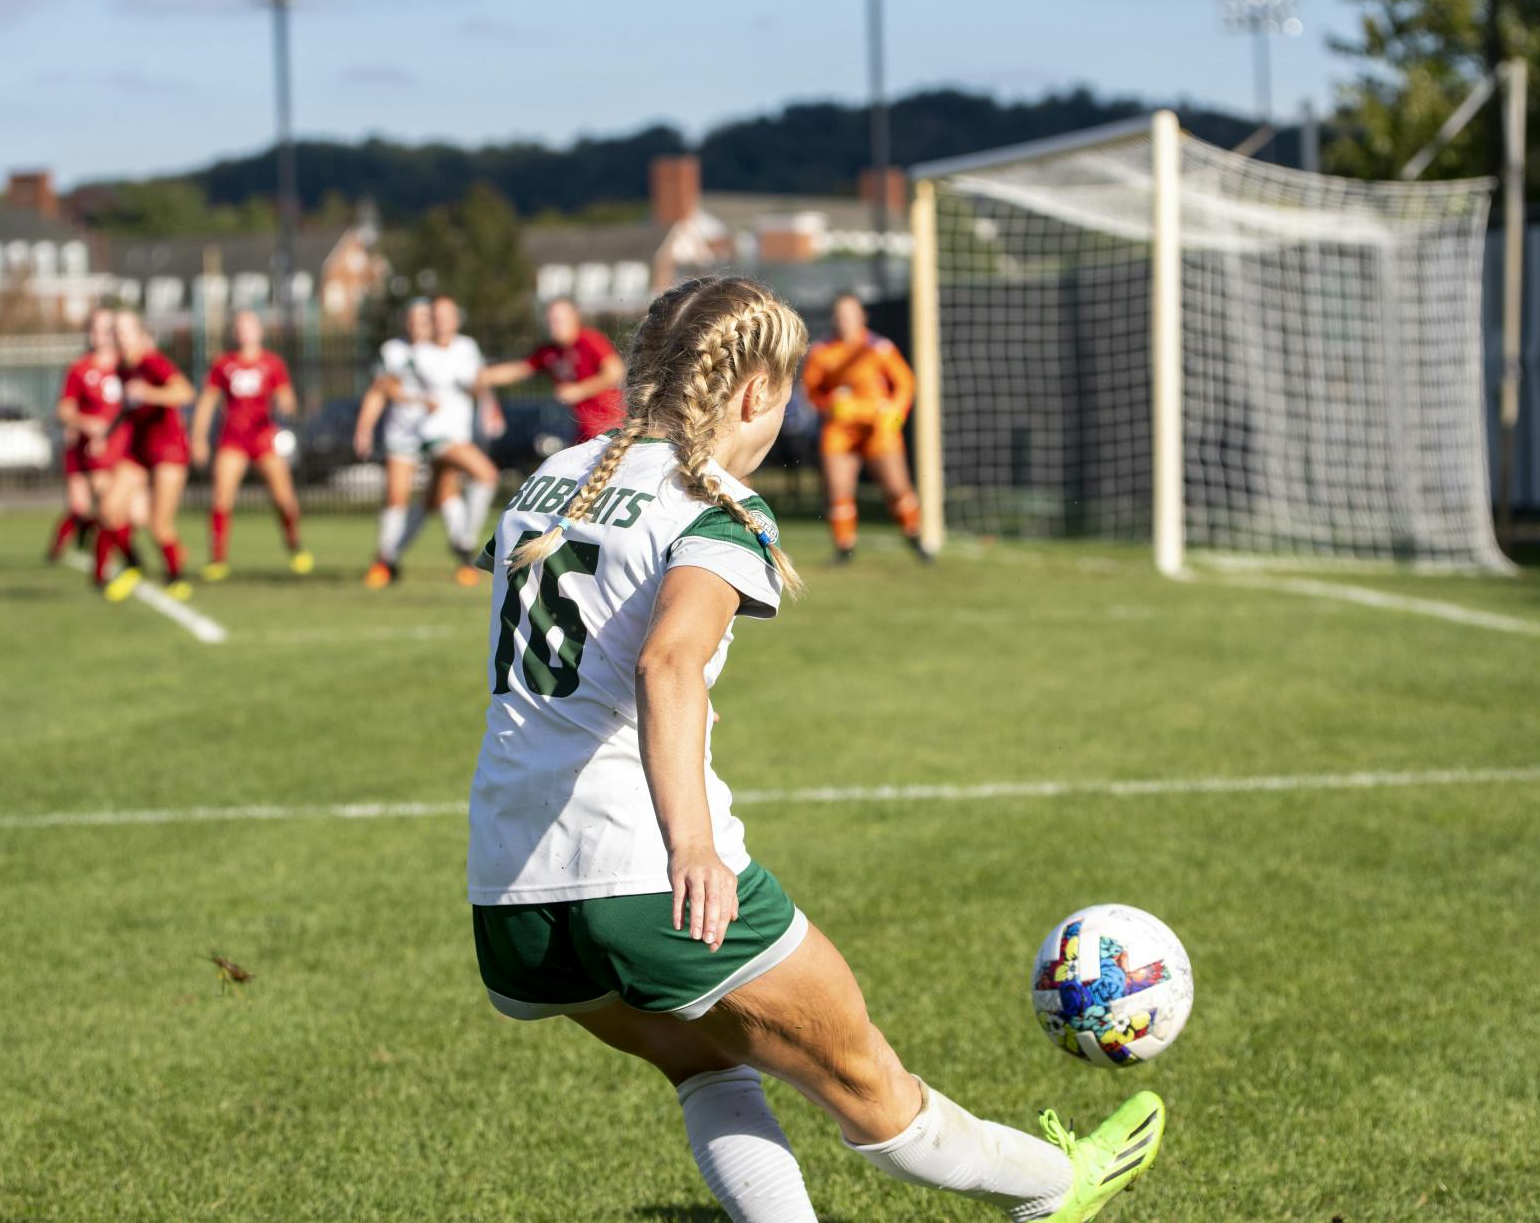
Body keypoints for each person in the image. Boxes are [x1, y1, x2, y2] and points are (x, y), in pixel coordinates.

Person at [466, 275, 1165, 1223]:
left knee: (706, 1062)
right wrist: (692, 845)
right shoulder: (713, 505)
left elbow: (571, 647)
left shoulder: (551, 477)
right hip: (643, 869)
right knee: (870, 1084)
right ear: (756, 392)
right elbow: (666, 662)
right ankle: (1057, 1187)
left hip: (509, 884)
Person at [354, 296, 503, 588]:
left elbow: (472, 385)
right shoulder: (396, 351)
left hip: (435, 433)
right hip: (402, 434)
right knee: (398, 497)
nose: (419, 325)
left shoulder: (448, 350)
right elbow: (382, 390)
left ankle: (457, 556)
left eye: (424, 320)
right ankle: (387, 558)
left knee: (444, 495)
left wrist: (487, 402)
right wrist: (365, 427)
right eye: (414, 320)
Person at [801, 293, 928, 563]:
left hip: (878, 428)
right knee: (838, 489)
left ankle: (914, 535)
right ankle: (844, 547)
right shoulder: (822, 351)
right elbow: (811, 391)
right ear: (834, 319)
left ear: (862, 317)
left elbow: (905, 384)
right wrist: (829, 406)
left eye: (851, 314)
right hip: (840, 428)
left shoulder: (879, 348)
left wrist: (894, 418)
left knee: (897, 487)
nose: (845, 320)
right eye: (840, 315)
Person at [190, 310, 312, 581]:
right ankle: (218, 559)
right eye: (240, 327)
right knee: (221, 498)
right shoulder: (223, 364)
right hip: (232, 440)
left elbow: (287, 398)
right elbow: (207, 402)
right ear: (235, 333)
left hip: (263, 437)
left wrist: (286, 405)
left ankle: (295, 545)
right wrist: (198, 438)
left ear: (260, 331)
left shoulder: (272, 363)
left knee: (284, 499)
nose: (245, 332)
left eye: (250, 326)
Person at [96, 311, 195, 602]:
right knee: (107, 509)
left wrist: (150, 393)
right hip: (139, 450)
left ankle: (176, 576)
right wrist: (107, 434)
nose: (121, 338)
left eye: (126, 332)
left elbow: (185, 393)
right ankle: (133, 563)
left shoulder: (153, 362)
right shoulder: (122, 368)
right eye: (116, 332)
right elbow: (129, 408)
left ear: (140, 335)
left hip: (168, 450)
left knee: (159, 524)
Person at [477, 296, 625, 443]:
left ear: (574, 318)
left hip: (609, 425)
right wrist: (485, 375)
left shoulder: (589, 341)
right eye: (550, 320)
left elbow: (615, 372)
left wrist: (579, 390)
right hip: (581, 428)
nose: (553, 326)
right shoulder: (549, 351)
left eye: (558, 320)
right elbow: (520, 369)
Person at [47, 309, 124, 563]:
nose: (99, 336)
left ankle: (118, 556)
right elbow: (64, 410)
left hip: (120, 448)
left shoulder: (127, 366)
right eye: (94, 329)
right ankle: (62, 549)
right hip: (86, 448)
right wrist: (86, 424)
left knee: (119, 509)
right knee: (81, 507)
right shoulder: (79, 368)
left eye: (106, 330)